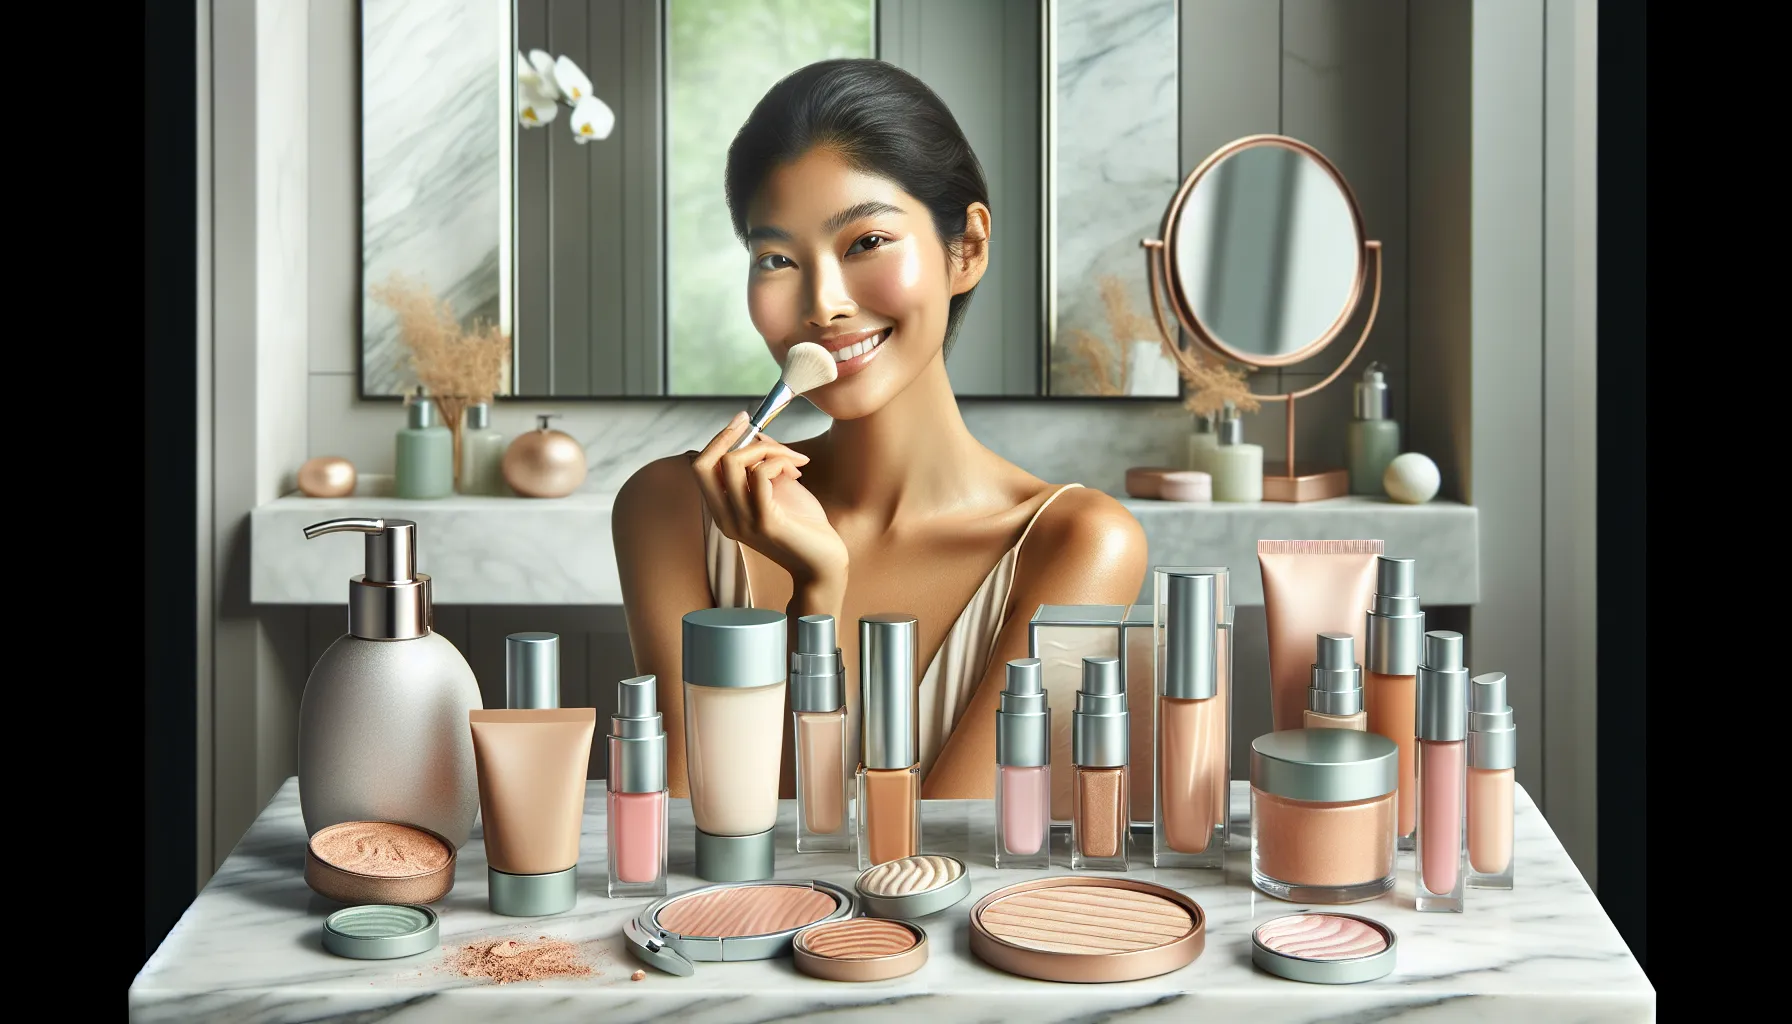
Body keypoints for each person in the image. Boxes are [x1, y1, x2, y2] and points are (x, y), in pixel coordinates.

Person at [614, 58, 1147, 799]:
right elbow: (684, 829)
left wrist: (816, 597)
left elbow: (945, 859)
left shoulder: (1079, 543)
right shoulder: (674, 507)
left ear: (967, 248)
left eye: (866, 242)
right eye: (776, 258)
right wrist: (814, 595)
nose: (822, 303)